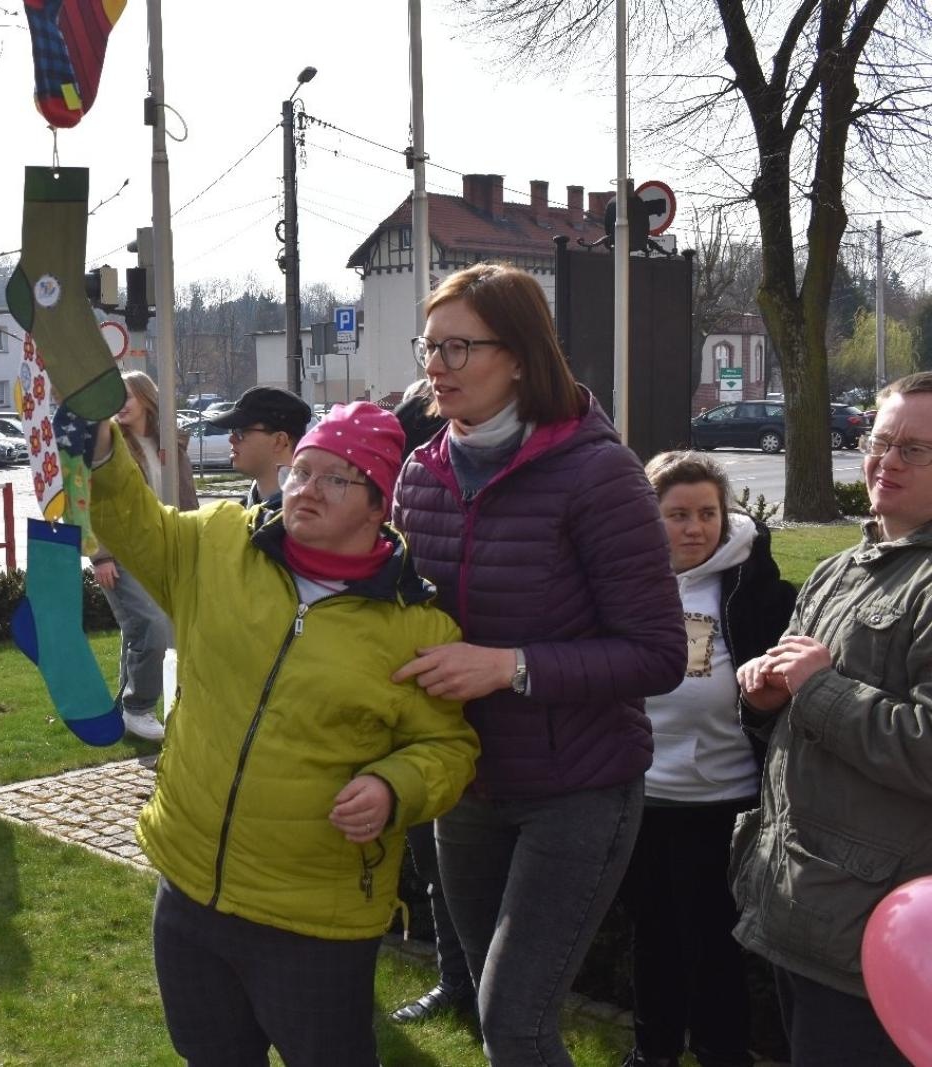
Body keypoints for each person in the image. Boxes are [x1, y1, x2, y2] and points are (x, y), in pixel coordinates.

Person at [91, 400, 480, 1064]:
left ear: (377, 502)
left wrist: (393, 786)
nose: (307, 489)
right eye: (303, 470)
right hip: (190, 888)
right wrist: (103, 449)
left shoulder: (413, 625)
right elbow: (136, 527)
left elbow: (449, 747)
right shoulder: (219, 542)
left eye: (337, 478)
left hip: (314, 916)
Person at [393, 263, 686, 1065]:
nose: (436, 366)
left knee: (515, 1021)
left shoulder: (598, 473)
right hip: (465, 785)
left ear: (519, 356)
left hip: (577, 790)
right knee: (502, 1019)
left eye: (460, 347)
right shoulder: (420, 474)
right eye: (430, 345)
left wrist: (510, 667)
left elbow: (660, 652)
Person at [733, 372, 932, 1067]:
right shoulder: (840, 569)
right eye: (881, 441)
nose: (888, 460)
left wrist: (816, 688)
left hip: (883, 933)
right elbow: (798, 713)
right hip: (804, 907)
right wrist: (762, 700)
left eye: (915, 448)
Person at [615, 452, 795, 1067]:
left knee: (714, 942)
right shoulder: (621, 583)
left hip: (725, 801)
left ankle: (724, 1052)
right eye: (678, 515)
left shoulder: (757, 591)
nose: (695, 528)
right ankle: (653, 1049)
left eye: (707, 514)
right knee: (651, 934)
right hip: (643, 796)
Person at [387, 372, 467, 1024]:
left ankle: (473, 985)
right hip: (418, 700)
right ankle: (455, 981)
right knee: (435, 858)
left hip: (473, 695)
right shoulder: (397, 515)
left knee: (460, 864)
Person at [89, 371, 198, 743]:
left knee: (141, 629)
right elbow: (93, 502)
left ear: (147, 399)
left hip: (164, 548)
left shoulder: (172, 444)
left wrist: (194, 543)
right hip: (120, 553)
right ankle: (138, 707)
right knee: (152, 628)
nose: (119, 403)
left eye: (127, 396)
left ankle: (123, 710)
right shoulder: (108, 446)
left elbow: (186, 500)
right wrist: (100, 556)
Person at [209, 384, 312, 508]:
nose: (232, 439)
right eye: (233, 431)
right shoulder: (248, 509)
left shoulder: (306, 518)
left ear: (279, 441)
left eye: (241, 432)